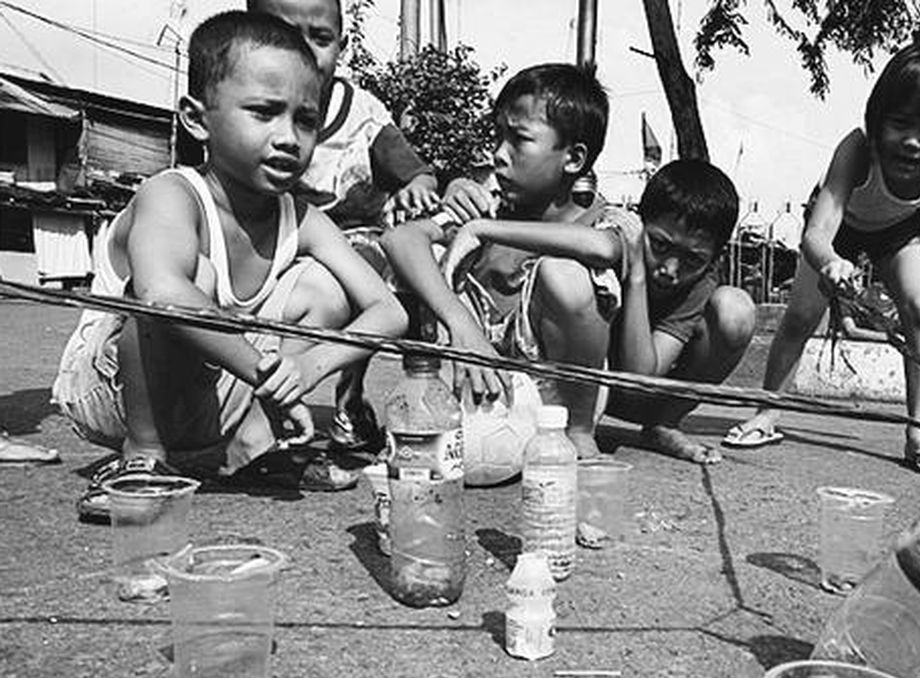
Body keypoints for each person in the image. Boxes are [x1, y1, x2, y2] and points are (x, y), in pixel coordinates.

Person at [52, 10, 408, 522]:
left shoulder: (302, 217)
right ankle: (142, 459)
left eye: (304, 120)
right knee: (193, 279)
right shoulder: (172, 194)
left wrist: (307, 369)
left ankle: (257, 448)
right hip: (112, 391)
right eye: (264, 113)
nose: (289, 137)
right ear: (197, 119)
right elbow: (160, 293)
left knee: (324, 287)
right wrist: (265, 371)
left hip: (219, 390)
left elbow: (388, 310)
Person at [724, 42, 920, 475]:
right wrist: (831, 262)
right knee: (799, 317)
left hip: (901, 229)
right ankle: (766, 413)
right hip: (841, 228)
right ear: (878, 119)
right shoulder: (856, 150)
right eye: (901, 124)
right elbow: (816, 234)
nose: (913, 142)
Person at [441, 159, 755, 464]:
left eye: (692, 259)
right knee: (562, 275)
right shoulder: (614, 235)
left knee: (735, 311)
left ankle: (664, 425)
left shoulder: (699, 283)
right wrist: (478, 227)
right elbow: (580, 247)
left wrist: (637, 277)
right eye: (659, 246)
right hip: (575, 388)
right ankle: (573, 427)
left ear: (714, 259)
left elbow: (639, 380)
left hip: (640, 391)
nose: (671, 270)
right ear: (638, 224)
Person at [381, 62, 615, 458]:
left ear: (573, 159)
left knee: (567, 275)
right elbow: (400, 239)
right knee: (413, 265)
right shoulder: (485, 202)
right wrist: (462, 327)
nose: (498, 154)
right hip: (477, 366)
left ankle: (578, 433)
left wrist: (483, 231)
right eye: (497, 136)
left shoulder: (604, 218)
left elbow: (604, 248)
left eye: (519, 140)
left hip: (556, 395)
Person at [249, 0, 439, 451]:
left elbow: (418, 172)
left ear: (342, 45)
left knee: (376, 277)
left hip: (350, 241)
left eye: (320, 38)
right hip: (275, 239)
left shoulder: (363, 115)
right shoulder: (242, 104)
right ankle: (248, 406)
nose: (305, 52)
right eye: (284, 34)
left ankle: (370, 400)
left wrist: (418, 186)